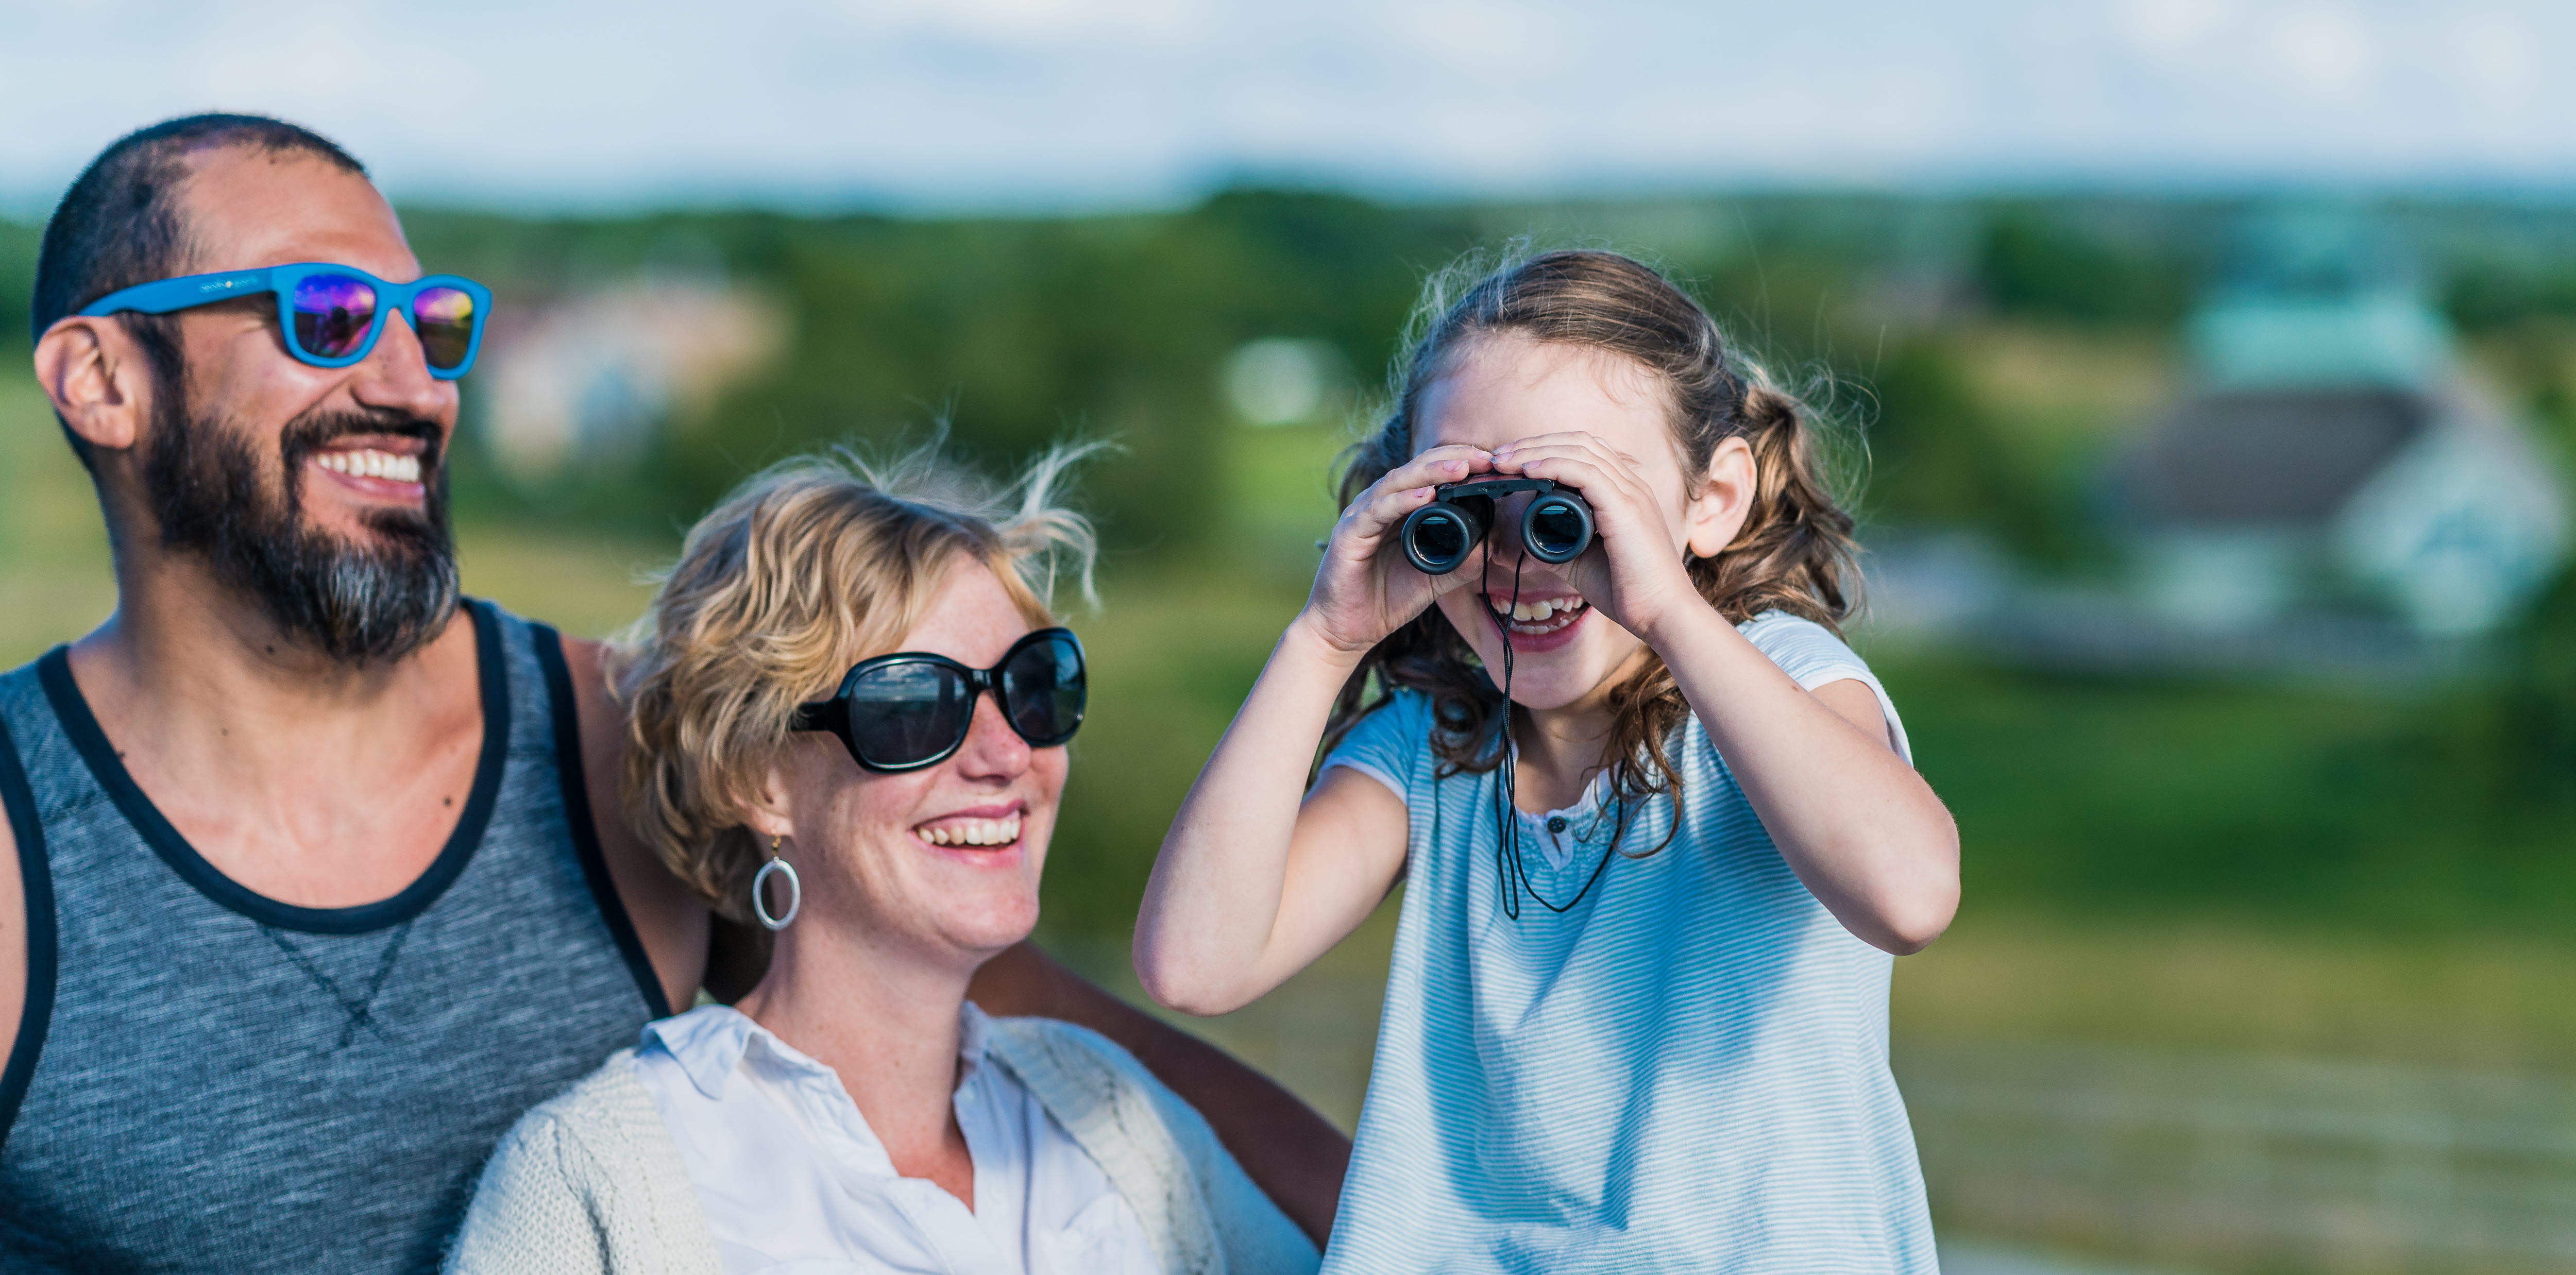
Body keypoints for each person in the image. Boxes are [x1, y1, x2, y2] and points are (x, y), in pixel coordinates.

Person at [0, 113, 1343, 1273]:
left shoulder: (615, 732)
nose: (416, 385)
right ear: (102, 379)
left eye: (435, 324)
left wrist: (1422, 1230)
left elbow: (1057, 1049)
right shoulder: (19, 846)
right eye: (328, 315)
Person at [1133, 249, 1962, 1270]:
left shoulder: (1780, 687)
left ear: (1712, 500)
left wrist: (1661, 604)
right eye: (1474, 512)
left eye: (1573, 504)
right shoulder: (1432, 750)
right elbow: (1195, 962)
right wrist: (1323, 641)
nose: (1527, 557)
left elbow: (1908, 894)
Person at [448, 448, 1320, 1274]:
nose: (1005, 753)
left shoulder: (1109, 1110)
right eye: (913, 706)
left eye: (1030, 686)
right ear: (759, 779)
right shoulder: (596, 1178)